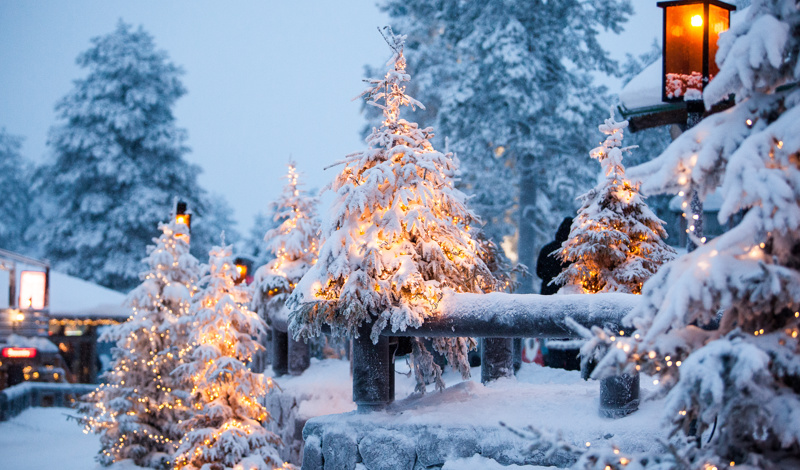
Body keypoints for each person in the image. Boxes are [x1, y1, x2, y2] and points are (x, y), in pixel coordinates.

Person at [536, 217, 581, 371]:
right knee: (572, 333)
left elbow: (539, 272)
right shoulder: (576, 253)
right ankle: (573, 366)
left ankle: (555, 364)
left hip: (550, 298)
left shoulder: (548, 249)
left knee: (554, 332)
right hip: (572, 297)